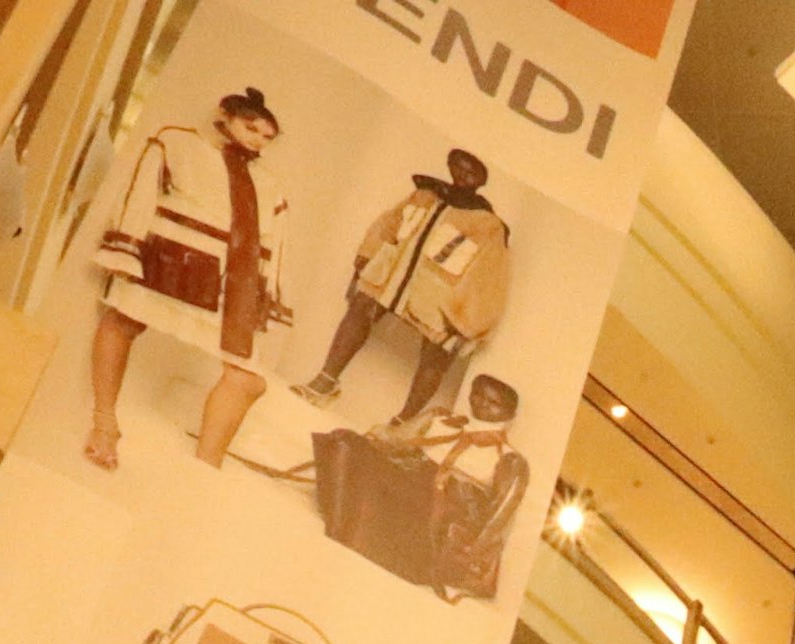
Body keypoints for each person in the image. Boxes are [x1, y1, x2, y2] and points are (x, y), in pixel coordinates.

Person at [88, 88, 292, 471]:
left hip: (227, 284)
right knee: (122, 321)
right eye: (251, 128)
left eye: (267, 136)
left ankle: (205, 465)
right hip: (167, 263)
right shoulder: (177, 143)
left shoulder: (270, 186)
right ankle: (104, 423)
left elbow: (276, 247)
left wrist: (265, 302)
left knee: (248, 377)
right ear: (226, 116)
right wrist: (125, 248)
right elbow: (139, 194)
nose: (257, 140)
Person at [300, 150, 512, 420]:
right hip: (392, 277)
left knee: (438, 353)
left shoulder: (488, 224)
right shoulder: (424, 195)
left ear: (482, 180)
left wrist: (468, 321)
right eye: (458, 167)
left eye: (471, 172)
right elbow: (387, 226)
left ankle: (404, 420)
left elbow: (489, 274)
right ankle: (325, 381)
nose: (462, 175)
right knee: (361, 306)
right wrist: (365, 261)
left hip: (438, 297)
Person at [371, 373, 529, 601]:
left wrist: (473, 550)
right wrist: (380, 435)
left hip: (453, 507)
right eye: (479, 395)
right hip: (412, 477)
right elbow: (396, 441)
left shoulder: (511, 458)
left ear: (509, 415)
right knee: (350, 449)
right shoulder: (441, 419)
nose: (483, 404)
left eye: (494, 403)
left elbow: (501, 512)